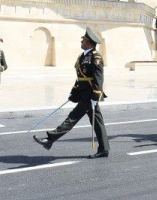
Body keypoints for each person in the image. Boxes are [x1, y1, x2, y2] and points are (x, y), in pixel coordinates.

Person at [33, 27, 110, 158]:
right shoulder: (82, 56)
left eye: (83, 40)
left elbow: (98, 77)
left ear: (89, 42)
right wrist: (73, 92)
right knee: (97, 121)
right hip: (83, 92)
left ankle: (50, 139)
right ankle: (104, 149)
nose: (81, 42)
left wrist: (96, 95)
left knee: (72, 117)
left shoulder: (95, 57)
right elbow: (80, 77)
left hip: (90, 94)